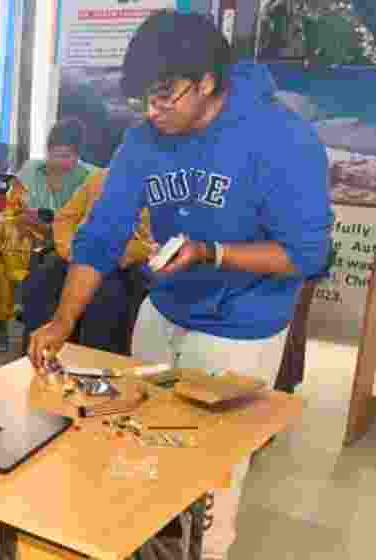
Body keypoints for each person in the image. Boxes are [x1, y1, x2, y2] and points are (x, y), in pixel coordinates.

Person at [27, 12, 333, 560]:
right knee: (141, 452)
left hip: (241, 328)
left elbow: (307, 255)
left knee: (211, 477)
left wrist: (213, 252)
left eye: (165, 96)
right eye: (144, 98)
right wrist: (62, 322)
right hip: (164, 312)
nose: (152, 111)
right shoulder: (144, 140)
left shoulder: (282, 140)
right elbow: (100, 237)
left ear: (207, 81)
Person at [0, 119, 96, 352]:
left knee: (48, 267)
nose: (59, 162)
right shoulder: (30, 170)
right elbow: (13, 209)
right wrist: (27, 218)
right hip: (28, 233)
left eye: (66, 156)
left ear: (78, 154)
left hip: (68, 241)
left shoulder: (92, 177)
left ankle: (33, 314)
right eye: (54, 155)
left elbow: (88, 221)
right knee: (6, 234)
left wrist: (55, 229)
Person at [19, 169, 153, 356]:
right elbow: (65, 218)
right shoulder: (100, 178)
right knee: (42, 279)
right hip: (80, 252)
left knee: (105, 293)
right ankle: (38, 354)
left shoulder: (160, 186)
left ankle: (92, 362)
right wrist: (69, 250)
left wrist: (121, 255)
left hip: (124, 261)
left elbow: (155, 240)